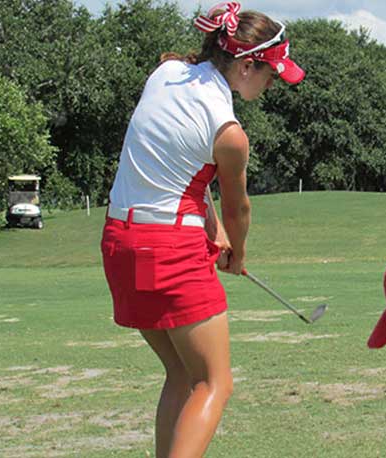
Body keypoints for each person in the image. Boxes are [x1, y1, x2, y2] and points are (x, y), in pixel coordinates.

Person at [100, 2, 304, 456]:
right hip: (170, 250)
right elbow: (239, 208)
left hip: (122, 247)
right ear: (247, 66)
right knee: (215, 382)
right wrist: (238, 251)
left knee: (181, 373)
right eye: (271, 73)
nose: (272, 84)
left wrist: (213, 229)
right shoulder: (230, 135)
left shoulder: (167, 73)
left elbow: (182, 168)